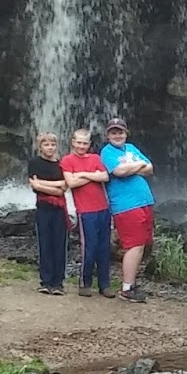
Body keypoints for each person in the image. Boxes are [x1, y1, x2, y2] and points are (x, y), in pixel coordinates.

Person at [98, 116, 153, 304]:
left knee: (142, 244)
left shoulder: (131, 149)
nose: (117, 135)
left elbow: (151, 168)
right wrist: (139, 165)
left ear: (126, 133)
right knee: (134, 244)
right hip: (126, 205)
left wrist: (131, 168)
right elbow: (119, 172)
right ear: (107, 135)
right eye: (113, 132)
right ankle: (127, 288)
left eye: (120, 131)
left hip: (144, 201)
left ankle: (131, 284)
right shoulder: (107, 152)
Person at [60, 127, 112, 297]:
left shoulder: (96, 157)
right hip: (85, 211)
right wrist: (91, 174)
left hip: (103, 209)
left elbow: (105, 177)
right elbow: (71, 183)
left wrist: (81, 174)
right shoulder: (67, 160)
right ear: (73, 142)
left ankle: (105, 285)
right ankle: (85, 283)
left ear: (90, 144)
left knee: (104, 247)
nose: (82, 146)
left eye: (85, 143)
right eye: (79, 142)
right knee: (89, 247)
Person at [27, 132, 68, 295]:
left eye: (52, 144)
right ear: (40, 146)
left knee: (59, 244)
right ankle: (46, 281)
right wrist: (54, 187)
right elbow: (33, 186)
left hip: (59, 209)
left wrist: (41, 185)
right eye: (46, 145)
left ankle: (58, 282)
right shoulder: (34, 163)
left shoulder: (61, 164)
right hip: (43, 208)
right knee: (44, 243)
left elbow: (63, 188)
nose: (50, 147)